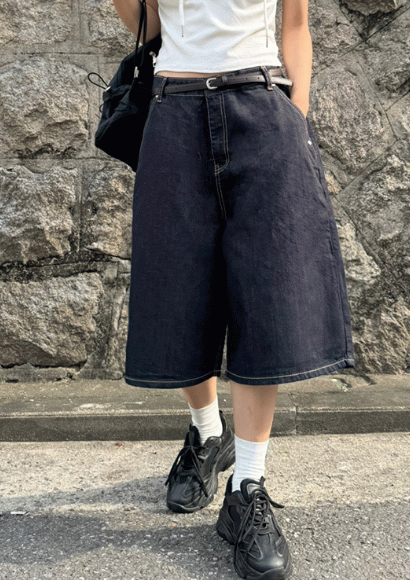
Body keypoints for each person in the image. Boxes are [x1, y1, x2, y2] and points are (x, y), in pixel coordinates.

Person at [113, 0, 355, 578]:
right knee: (179, 291)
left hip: (261, 105)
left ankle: (247, 486)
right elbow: (145, 23)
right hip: (173, 111)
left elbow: (295, 25)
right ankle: (207, 434)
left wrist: (294, 122)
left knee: (264, 297)